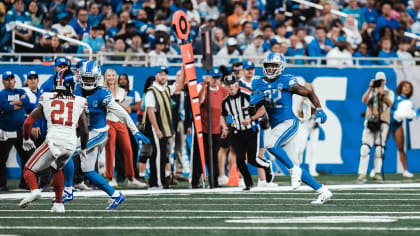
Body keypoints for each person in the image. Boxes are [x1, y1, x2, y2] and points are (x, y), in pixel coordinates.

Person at [60, 60, 149, 209]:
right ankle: (116, 195)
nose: (88, 81)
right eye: (86, 78)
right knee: (88, 171)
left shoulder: (103, 93)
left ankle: (68, 190)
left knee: (67, 151)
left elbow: (121, 113)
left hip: (98, 132)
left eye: (91, 78)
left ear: (97, 78)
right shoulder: (75, 90)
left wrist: (135, 131)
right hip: (85, 132)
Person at [248, 52, 333, 204]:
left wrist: (319, 108)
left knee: (269, 144)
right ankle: (322, 191)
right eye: (268, 65)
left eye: (274, 66)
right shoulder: (258, 83)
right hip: (277, 126)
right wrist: (252, 105)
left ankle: (293, 170)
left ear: (281, 67)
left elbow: (308, 92)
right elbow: (254, 112)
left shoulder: (287, 81)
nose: (270, 69)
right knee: (295, 165)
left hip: (289, 123)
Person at [18, 69, 88, 213]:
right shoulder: (79, 101)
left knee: (28, 170)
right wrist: (84, 148)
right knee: (57, 169)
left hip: (54, 141)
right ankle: (58, 204)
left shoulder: (47, 97)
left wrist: (26, 138)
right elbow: (84, 130)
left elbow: (27, 123)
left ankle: (35, 190)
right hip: (70, 144)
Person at [221, 74, 273, 190]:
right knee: (239, 160)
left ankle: (267, 165)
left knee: (252, 160)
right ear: (225, 86)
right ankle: (248, 183)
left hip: (252, 131)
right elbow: (222, 115)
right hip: (238, 132)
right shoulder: (226, 102)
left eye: (232, 84)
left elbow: (263, 108)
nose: (230, 87)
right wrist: (224, 127)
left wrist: (251, 119)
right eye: (228, 85)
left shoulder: (247, 95)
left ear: (237, 84)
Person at [144, 66, 185, 188]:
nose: (163, 77)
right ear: (156, 76)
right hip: (157, 127)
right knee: (157, 155)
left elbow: (180, 85)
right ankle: (157, 182)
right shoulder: (151, 91)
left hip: (166, 127)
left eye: (165, 75)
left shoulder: (166, 89)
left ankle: (158, 181)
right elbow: (150, 112)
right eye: (161, 74)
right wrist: (156, 128)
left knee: (162, 155)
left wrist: (184, 69)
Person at [104, 69, 145, 188]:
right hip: (108, 120)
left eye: (112, 75)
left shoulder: (122, 91)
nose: (111, 78)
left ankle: (131, 177)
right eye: (108, 76)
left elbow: (127, 109)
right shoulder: (102, 90)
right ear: (105, 77)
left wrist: (118, 104)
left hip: (121, 122)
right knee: (110, 150)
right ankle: (111, 177)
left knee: (128, 149)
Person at [191, 68, 228, 188]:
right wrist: (204, 87)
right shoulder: (201, 87)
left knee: (214, 157)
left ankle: (214, 181)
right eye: (214, 78)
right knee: (198, 156)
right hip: (202, 128)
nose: (216, 80)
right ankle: (195, 181)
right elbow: (199, 101)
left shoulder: (223, 90)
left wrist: (224, 126)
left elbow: (224, 111)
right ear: (209, 78)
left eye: (218, 78)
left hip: (216, 128)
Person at [357, 72, 393, 182]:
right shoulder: (372, 91)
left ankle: (377, 172)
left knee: (379, 149)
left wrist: (381, 93)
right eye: (378, 80)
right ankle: (362, 174)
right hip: (370, 120)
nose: (380, 82)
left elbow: (390, 103)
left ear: (385, 81)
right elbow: (364, 100)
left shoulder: (388, 92)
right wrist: (370, 88)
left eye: (382, 80)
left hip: (382, 121)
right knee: (365, 148)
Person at [0, 71, 31, 191]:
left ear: (14, 80)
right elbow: (4, 107)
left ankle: (25, 183)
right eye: (7, 79)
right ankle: (2, 184)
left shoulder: (20, 91)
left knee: (26, 157)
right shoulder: (1, 94)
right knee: (2, 159)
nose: (9, 81)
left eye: (11, 79)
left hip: (20, 131)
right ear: (3, 81)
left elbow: (26, 101)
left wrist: (12, 105)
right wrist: (19, 105)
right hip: (5, 131)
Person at [388, 81, 414, 178]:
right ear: (401, 87)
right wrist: (394, 113)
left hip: (397, 125)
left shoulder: (408, 102)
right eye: (405, 86)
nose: (407, 88)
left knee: (401, 148)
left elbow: (409, 117)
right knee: (380, 146)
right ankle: (375, 170)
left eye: (409, 87)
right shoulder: (394, 97)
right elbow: (388, 108)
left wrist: (410, 115)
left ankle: (405, 170)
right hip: (387, 123)